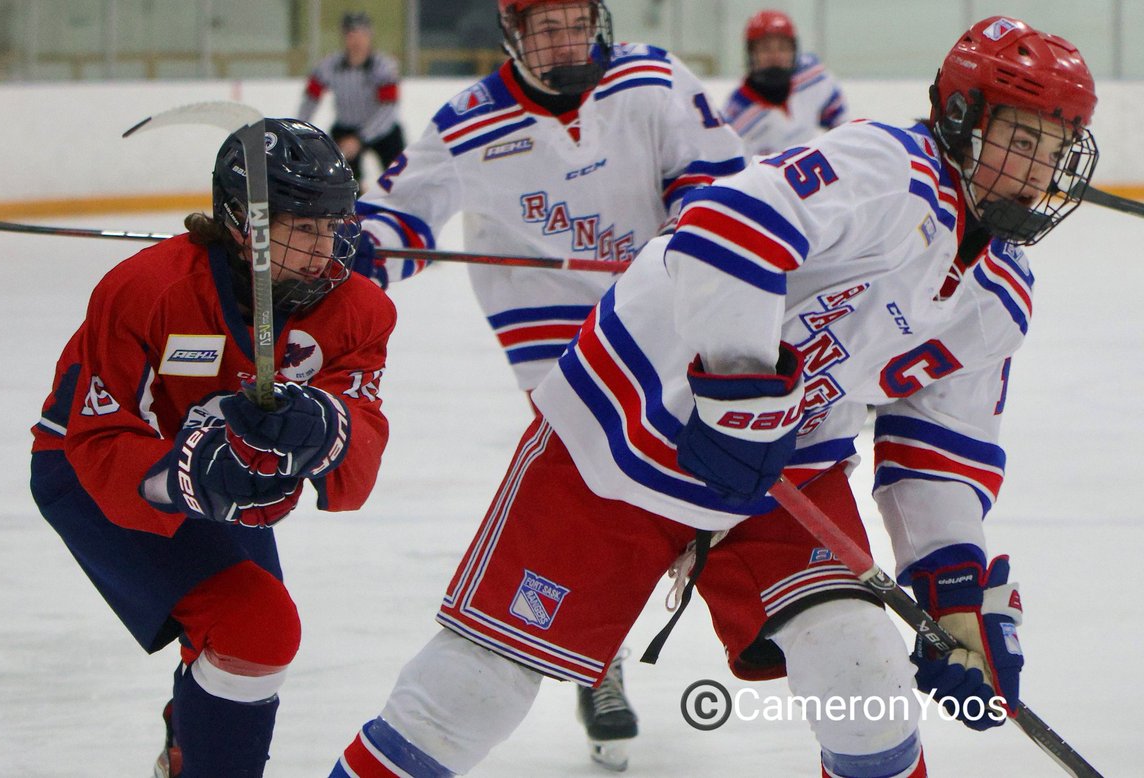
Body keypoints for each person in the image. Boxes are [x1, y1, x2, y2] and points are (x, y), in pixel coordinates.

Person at [328, 15, 1098, 777]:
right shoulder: (887, 168)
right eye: (1020, 141)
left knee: (864, 673)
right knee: (472, 695)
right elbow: (728, 222)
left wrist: (953, 589)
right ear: (961, 120)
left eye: (1054, 150)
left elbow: (941, 453)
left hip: (785, 468)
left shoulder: (1000, 294)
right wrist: (740, 402)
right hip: (630, 423)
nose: (1037, 172)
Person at [347, 0, 745, 769]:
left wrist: (688, 244)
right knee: (607, 498)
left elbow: (722, 185)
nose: (565, 40)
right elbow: (398, 219)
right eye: (543, 28)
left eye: (575, 22)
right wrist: (349, 255)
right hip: (554, 346)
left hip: (660, 321)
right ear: (512, 37)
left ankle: (618, 646)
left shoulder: (654, 79)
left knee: (675, 496)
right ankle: (605, 662)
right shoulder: (468, 123)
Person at [29, 119, 395, 778]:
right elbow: (98, 440)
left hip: (222, 472)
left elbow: (359, 459)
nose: (323, 252)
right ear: (243, 224)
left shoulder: (359, 309)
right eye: (303, 229)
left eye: (331, 227)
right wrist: (185, 476)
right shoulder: (146, 290)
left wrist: (324, 427)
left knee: (240, 640)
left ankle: (188, 744)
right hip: (89, 473)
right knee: (257, 628)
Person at [297, 12, 406, 187]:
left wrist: (361, 137)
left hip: (382, 130)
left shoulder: (383, 66)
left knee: (400, 179)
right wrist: (298, 129)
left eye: (362, 35)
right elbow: (311, 99)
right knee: (343, 182)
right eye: (351, 35)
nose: (357, 41)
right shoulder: (329, 65)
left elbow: (389, 109)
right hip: (345, 129)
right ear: (344, 37)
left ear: (370, 36)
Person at [721, 9, 848, 156]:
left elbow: (841, 128)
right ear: (751, 54)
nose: (775, 56)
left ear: (794, 50)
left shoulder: (813, 77)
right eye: (765, 49)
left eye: (783, 48)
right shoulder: (736, 118)